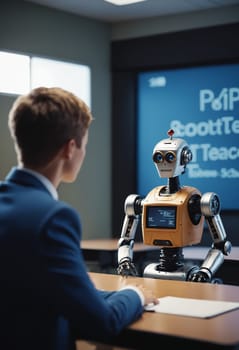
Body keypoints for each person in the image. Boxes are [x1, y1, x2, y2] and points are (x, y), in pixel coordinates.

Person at [0, 87, 158, 350]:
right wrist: (135, 295)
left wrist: (99, 294)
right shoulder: (53, 218)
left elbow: (27, 286)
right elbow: (102, 322)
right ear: (70, 149)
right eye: (84, 144)